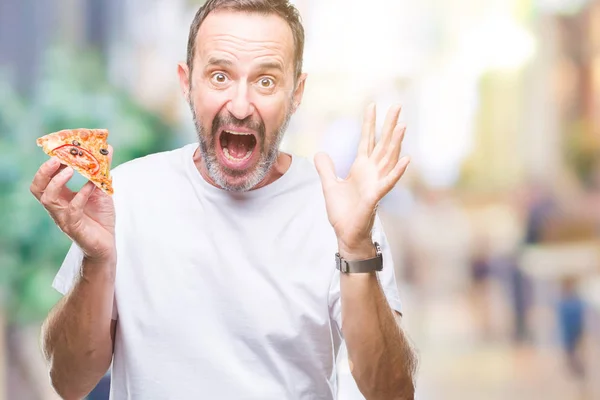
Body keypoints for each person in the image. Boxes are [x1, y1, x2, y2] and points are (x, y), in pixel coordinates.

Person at [30, 1, 417, 399]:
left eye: (266, 81)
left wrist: (355, 248)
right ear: (187, 82)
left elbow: (391, 392)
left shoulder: (340, 212)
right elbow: (69, 381)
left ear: (296, 93)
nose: (240, 105)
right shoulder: (127, 195)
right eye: (219, 76)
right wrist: (96, 262)